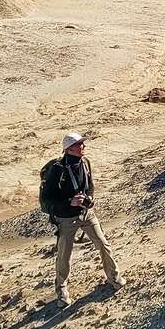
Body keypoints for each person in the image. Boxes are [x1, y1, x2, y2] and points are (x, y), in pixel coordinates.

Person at [41, 131, 124, 305]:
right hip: (65, 219)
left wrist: (89, 199)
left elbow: (90, 185)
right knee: (64, 255)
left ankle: (114, 277)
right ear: (69, 149)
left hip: (86, 213)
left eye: (82, 143)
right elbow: (47, 199)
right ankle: (62, 292)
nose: (83, 146)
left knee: (103, 244)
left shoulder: (85, 162)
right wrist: (68, 203)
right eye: (79, 144)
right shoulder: (57, 170)